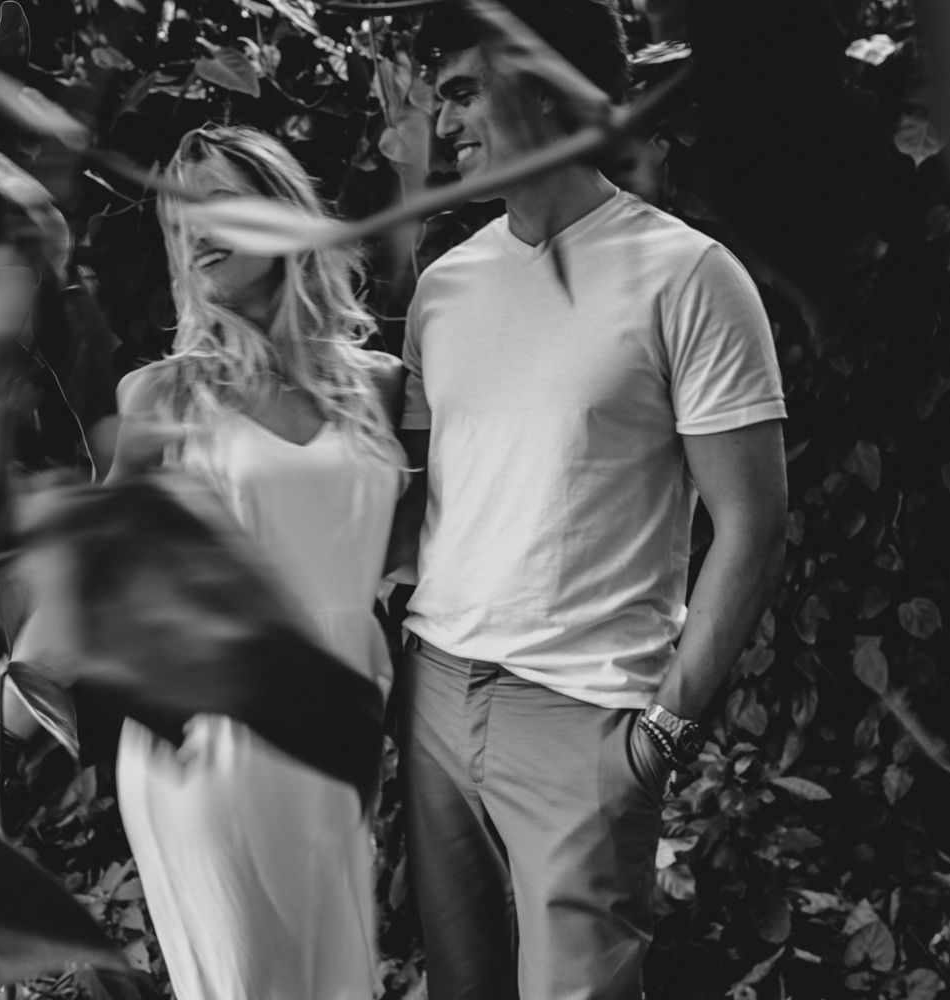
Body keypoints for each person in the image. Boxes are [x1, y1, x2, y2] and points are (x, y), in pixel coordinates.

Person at [392, 3, 790, 999]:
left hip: (582, 717)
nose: (445, 123)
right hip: (435, 692)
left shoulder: (689, 276)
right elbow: (427, 497)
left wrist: (662, 735)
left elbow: (753, 524)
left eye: (463, 91)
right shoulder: (443, 287)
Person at [106, 124, 404, 1000]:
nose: (194, 233)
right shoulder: (163, 394)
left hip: (345, 721)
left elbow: (400, 545)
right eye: (178, 219)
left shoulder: (381, 385)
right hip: (213, 736)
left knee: (337, 981)